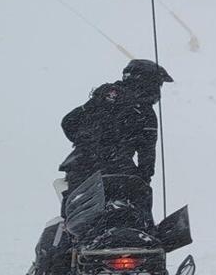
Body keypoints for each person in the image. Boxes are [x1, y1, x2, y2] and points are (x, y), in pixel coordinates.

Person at [59, 59, 173, 209]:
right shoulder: (146, 113)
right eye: (158, 84)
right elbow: (147, 154)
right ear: (146, 81)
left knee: (74, 215)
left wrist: (85, 144)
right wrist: (144, 180)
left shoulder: (102, 97)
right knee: (137, 210)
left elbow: (68, 121)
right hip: (118, 171)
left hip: (80, 167)